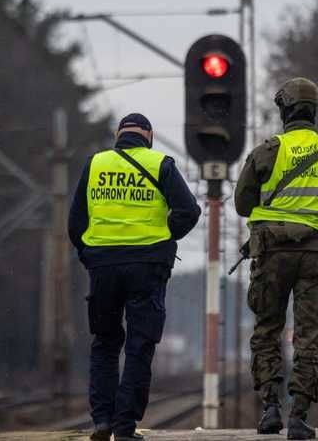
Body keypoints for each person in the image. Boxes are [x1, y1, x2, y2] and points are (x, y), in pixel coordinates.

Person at [234, 77, 318, 440]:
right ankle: (299, 416)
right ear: (314, 112)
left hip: (273, 254)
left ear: (284, 111)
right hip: (317, 257)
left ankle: (269, 409)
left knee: (267, 329)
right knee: (309, 335)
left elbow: (242, 203)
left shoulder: (266, 151)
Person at [68, 113, 201, 441]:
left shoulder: (95, 165)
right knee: (140, 346)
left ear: (118, 136)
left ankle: (101, 420)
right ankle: (125, 427)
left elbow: (75, 224)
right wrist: (164, 239)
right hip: (146, 267)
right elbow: (189, 210)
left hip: (103, 269)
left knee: (105, 343)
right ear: (149, 136)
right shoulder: (161, 165)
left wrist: (90, 256)